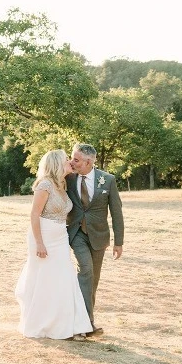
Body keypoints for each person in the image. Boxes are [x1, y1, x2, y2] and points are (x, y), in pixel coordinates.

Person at [15, 149, 93, 340]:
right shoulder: (45, 185)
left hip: (60, 238)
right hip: (44, 237)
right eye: (66, 159)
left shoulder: (62, 184)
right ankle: (45, 324)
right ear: (57, 163)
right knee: (46, 280)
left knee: (64, 280)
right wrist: (40, 243)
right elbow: (34, 215)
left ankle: (68, 325)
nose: (70, 162)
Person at [66, 143, 124, 337]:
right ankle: (84, 325)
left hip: (99, 237)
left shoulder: (107, 180)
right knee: (86, 271)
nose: (71, 162)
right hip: (76, 234)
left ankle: (86, 321)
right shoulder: (68, 176)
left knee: (94, 280)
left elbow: (116, 212)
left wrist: (119, 242)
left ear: (88, 162)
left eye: (76, 159)